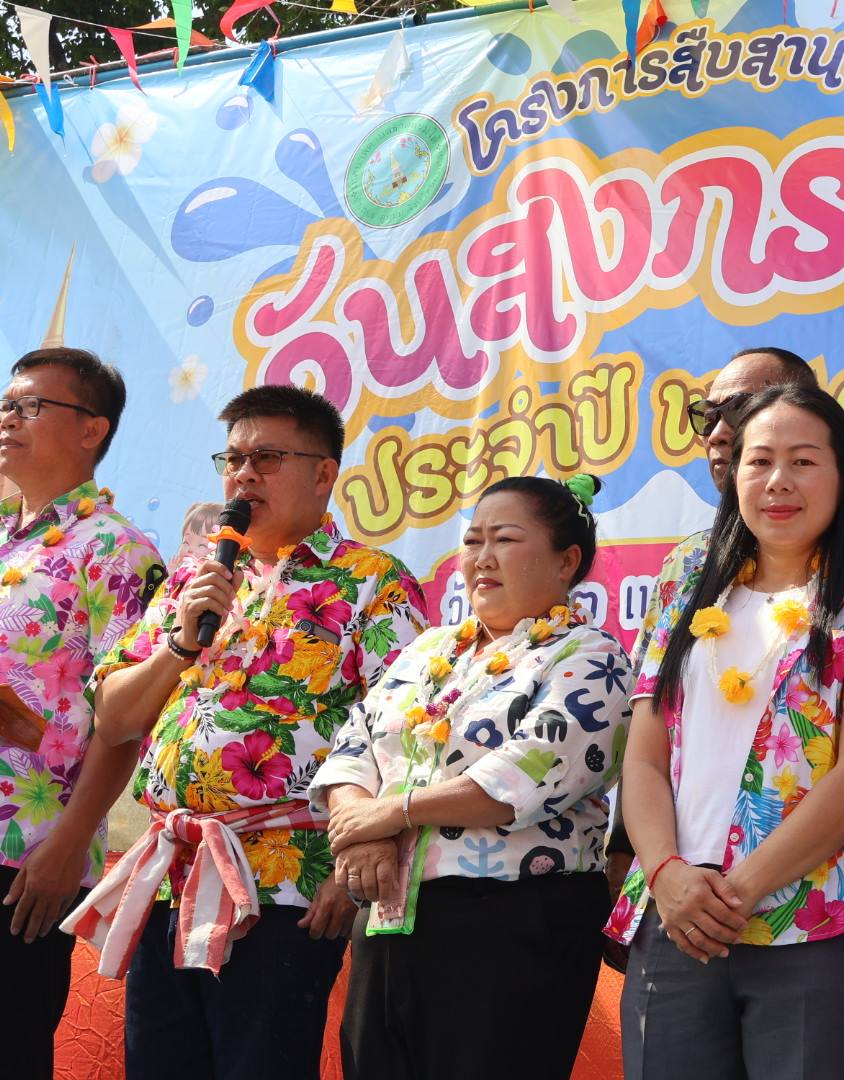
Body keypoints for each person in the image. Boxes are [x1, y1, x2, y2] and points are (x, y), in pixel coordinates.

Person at [65, 385, 429, 1080]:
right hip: (171, 875)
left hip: (289, 882)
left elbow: (407, 733)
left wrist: (359, 858)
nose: (243, 475)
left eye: (266, 458)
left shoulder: (372, 581)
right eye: (232, 460)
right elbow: (114, 718)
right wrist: (179, 644)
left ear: (323, 473)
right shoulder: (193, 582)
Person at [608, 384, 844, 1079]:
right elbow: (643, 760)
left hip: (812, 919)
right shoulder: (689, 595)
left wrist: (741, 888)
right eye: (759, 461)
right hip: (675, 917)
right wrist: (665, 873)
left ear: (843, 477)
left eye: (804, 461)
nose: (778, 480)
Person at [311, 474, 632, 1079]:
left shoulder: (590, 655)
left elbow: (524, 773)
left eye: (504, 539)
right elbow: (354, 744)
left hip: (511, 924)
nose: (482, 557)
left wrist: (393, 812)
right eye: (472, 540)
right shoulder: (428, 649)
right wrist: (363, 830)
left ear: (566, 561)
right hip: (390, 911)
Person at [604, 346, 844, 892]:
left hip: (812, 892)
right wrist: (650, 865)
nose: (718, 432)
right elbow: (654, 736)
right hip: (675, 892)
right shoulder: (687, 570)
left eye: (738, 410)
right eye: (706, 415)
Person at [0, 348, 162, 1079]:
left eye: (30, 405)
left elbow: (124, 715)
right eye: (6, 404)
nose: (9, 418)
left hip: (25, 853)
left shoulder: (117, 550)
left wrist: (69, 842)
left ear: (92, 428)